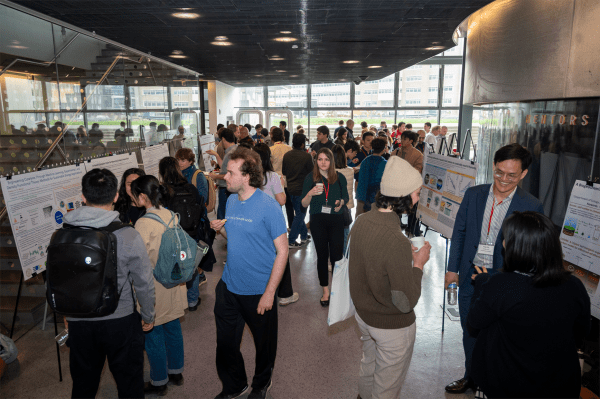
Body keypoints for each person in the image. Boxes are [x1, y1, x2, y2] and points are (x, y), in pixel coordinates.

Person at [444, 143, 545, 395]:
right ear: (493, 166)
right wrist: (452, 268)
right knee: (470, 330)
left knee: (499, 336)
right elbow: (460, 232)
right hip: (470, 276)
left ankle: (494, 381)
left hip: (504, 281)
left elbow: (533, 251)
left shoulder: (532, 205)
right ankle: (471, 377)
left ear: (523, 174)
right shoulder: (474, 194)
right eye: (499, 172)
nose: (503, 180)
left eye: (511, 175)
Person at [468, 211, 590, 398]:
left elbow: (475, 321)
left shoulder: (501, 285)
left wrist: (482, 284)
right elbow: (581, 332)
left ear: (520, 247)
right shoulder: (575, 286)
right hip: (559, 384)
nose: (503, 243)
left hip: (509, 384)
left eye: (507, 239)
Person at [65, 168, 155, 399]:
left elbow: (62, 278)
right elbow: (144, 282)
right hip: (120, 320)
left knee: (83, 384)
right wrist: (148, 315)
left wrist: (66, 315)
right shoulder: (127, 235)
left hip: (79, 321)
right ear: (116, 196)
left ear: (83, 197)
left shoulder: (63, 233)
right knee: (129, 383)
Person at [349, 157, 431, 399]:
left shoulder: (361, 222)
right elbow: (405, 301)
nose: (417, 198)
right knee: (386, 385)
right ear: (404, 196)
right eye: (416, 193)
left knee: (369, 366)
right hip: (390, 325)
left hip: (363, 315)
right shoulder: (396, 239)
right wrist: (418, 264)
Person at [210, 148, 288, 399]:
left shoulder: (269, 206)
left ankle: (261, 384)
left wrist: (269, 293)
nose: (225, 177)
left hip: (259, 291)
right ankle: (235, 384)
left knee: (264, 346)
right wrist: (219, 230)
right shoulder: (232, 200)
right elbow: (234, 238)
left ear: (246, 176)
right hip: (229, 286)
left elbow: (283, 252)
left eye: (230, 173)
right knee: (226, 344)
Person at [131, 175, 187, 396]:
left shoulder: (143, 223)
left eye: (135, 195)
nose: (134, 199)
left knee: (153, 333)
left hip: (155, 287)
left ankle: (159, 381)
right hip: (175, 282)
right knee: (173, 329)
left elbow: (140, 263)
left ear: (143, 197)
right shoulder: (171, 215)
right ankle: (176, 372)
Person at [301, 148, 349, 306]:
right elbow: (303, 203)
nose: (323, 162)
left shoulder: (339, 177)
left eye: (326, 159)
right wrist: (310, 193)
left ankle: (336, 288)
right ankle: (325, 290)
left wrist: (340, 203)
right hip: (318, 221)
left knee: (337, 256)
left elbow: (346, 198)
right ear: (316, 161)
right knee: (322, 256)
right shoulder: (310, 178)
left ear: (331, 161)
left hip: (336, 220)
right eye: (320, 159)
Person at [253, 144, 299, 307]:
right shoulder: (272, 176)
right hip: (272, 221)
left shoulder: (248, 176)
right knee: (281, 253)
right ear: (267, 158)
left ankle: (259, 290)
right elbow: (281, 200)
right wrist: (280, 184)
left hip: (255, 221)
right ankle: (285, 294)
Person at [158, 157, 206, 311]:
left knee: (173, 265)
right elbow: (200, 207)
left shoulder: (162, 191)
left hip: (172, 235)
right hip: (191, 233)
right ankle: (192, 301)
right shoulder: (190, 188)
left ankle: (176, 302)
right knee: (191, 266)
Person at [176, 147, 215, 283]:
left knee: (197, 247)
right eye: (179, 160)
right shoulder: (178, 173)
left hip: (197, 218)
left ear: (191, 161)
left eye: (183, 160)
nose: (180, 163)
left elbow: (202, 198)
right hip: (184, 218)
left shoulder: (197, 175)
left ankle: (200, 275)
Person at [282, 133, 314, 248]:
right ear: (302, 144)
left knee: (299, 213)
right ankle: (291, 240)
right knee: (300, 215)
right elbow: (312, 174)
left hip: (290, 188)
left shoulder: (287, 155)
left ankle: (304, 236)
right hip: (303, 190)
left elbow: (284, 172)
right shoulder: (306, 156)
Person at [392, 131, 424, 237]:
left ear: (411, 141)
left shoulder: (418, 155)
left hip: (411, 188)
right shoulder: (396, 152)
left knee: (412, 212)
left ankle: (412, 232)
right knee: (395, 211)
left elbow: (417, 171)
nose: (402, 140)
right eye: (402, 138)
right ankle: (395, 231)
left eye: (405, 139)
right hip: (396, 187)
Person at [206, 128, 238, 220]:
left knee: (222, 216)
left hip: (226, 189)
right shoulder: (234, 150)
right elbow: (225, 168)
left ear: (223, 139)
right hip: (229, 189)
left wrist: (215, 176)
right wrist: (216, 155)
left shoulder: (230, 153)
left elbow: (230, 174)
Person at [270, 128, 294, 229]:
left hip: (275, 181)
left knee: (276, 207)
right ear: (283, 136)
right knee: (289, 206)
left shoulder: (271, 150)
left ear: (272, 137)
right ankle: (292, 227)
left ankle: (277, 227)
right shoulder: (289, 149)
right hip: (287, 180)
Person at [356, 137, 387, 216]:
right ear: (384, 149)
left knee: (361, 218)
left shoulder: (365, 161)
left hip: (362, 194)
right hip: (377, 197)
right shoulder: (385, 163)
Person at [332, 144, 354, 250]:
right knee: (346, 235)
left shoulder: (329, 173)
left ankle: (333, 259)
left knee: (332, 235)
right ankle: (345, 260)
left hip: (332, 207)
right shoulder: (350, 171)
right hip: (346, 206)